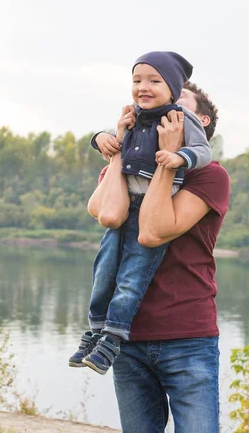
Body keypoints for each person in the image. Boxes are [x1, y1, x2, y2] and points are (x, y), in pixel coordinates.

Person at [94, 82, 229, 433]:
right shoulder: (126, 169)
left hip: (188, 337)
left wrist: (169, 161)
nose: (163, 99)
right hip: (126, 336)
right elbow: (105, 212)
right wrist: (118, 149)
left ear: (198, 120)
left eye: (177, 98)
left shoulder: (210, 176)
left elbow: (153, 231)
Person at [69, 52, 212, 375]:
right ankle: (95, 331)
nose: (142, 87)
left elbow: (204, 152)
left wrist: (180, 158)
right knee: (104, 272)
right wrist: (102, 138)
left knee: (132, 277)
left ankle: (114, 338)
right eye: (136, 81)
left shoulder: (181, 117)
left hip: (152, 208)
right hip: (123, 203)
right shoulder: (132, 114)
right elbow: (105, 138)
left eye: (153, 81)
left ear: (173, 89)